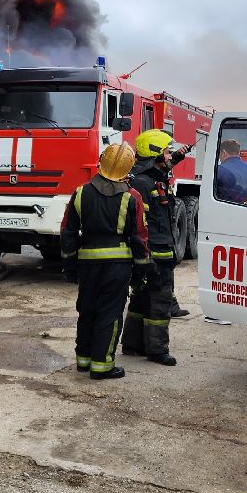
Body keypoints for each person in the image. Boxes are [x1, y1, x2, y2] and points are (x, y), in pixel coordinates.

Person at [60, 142, 152, 380]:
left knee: (87, 311)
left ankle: (84, 360)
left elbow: (68, 232)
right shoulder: (132, 197)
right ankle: (102, 366)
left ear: (101, 162)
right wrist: (141, 273)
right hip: (117, 267)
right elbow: (139, 237)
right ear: (128, 168)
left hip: (87, 264)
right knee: (109, 314)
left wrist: (69, 265)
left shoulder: (81, 192)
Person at [123, 129, 190, 365]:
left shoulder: (151, 176)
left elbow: (165, 167)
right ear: (155, 154)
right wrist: (146, 259)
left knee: (140, 300)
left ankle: (132, 344)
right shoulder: (144, 184)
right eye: (166, 151)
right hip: (155, 256)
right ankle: (157, 350)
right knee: (160, 304)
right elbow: (141, 227)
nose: (169, 155)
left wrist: (178, 156)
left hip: (154, 255)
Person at [214, 139, 247, 205]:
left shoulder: (219, 170)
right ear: (238, 153)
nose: (219, 158)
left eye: (219, 154)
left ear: (224, 153)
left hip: (227, 211)